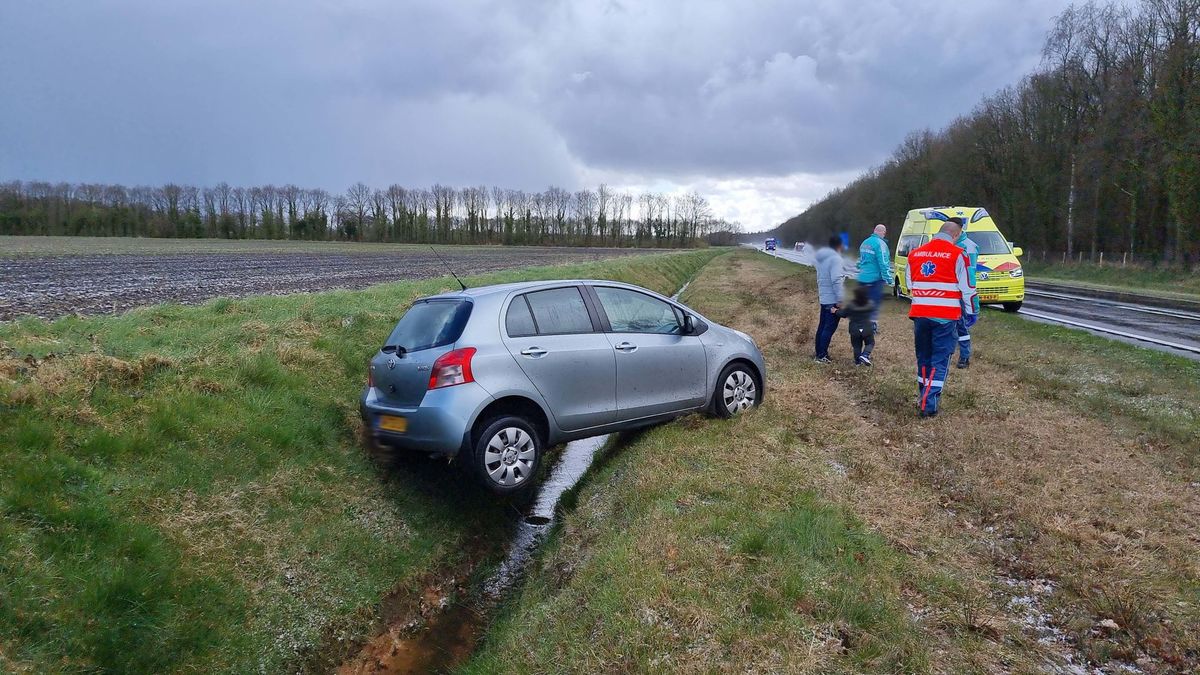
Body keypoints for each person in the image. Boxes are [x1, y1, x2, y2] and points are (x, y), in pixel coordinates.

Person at [905, 222, 977, 417]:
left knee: (924, 358)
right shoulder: (958, 254)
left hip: (920, 315)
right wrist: (971, 312)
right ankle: (928, 406)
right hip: (945, 317)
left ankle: (923, 395)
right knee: (940, 360)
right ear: (954, 234)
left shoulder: (915, 254)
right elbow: (968, 288)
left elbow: (909, 283)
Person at [946, 217, 979, 368]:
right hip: (947, 292)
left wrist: (973, 305)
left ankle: (964, 357)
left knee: (961, 327)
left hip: (960, 294)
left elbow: (970, 276)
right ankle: (948, 353)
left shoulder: (968, 247)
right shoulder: (949, 244)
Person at [813, 235, 846, 363]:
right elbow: (836, 280)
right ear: (839, 245)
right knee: (829, 328)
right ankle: (822, 356)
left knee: (822, 327)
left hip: (824, 297)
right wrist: (841, 299)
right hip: (832, 299)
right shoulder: (836, 259)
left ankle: (819, 352)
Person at [856, 223, 892, 331]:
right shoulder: (880, 244)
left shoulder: (864, 242)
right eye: (884, 233)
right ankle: (872, 327)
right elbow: (884, 263)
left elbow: (860, 261)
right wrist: (888, 279)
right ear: (883, 232)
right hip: (875, 279)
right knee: (874, 304)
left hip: (862, 278)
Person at [836, 284, 877, 366]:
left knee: (857, 346)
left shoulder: (851, 305)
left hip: (854, 329)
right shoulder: (870, 304)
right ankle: (865, 355)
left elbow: (843, 314)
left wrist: (836, 311)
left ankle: (858, 362)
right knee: (870, 343)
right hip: (867, 328)